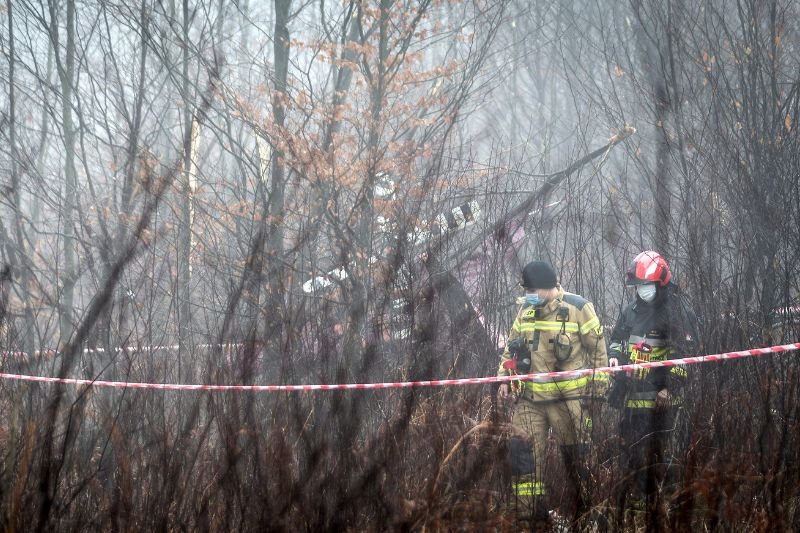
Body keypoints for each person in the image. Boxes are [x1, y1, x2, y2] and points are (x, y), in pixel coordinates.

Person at [498, 260, 609, 527]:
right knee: (523, 460)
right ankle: (530, 520)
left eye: (532, 290)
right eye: (526, 291)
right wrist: (503, 380)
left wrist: (597, 393)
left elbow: (598, 352)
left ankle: (586, 519)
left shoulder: (578, 308)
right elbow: (509, 349)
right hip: (530, 401)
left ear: (547, 286)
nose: (528, 295)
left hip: (568, 401)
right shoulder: (526, 311)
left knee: (578, 462)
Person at [607, 251, 698, 523]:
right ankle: (637, 512)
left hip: (663, 403)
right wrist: (615, 356)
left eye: (645, 285)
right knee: (633, 456)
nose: (641, 290)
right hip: (633, 399)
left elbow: (686, 354)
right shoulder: (631, 311)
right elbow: (617, 339)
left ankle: (670, 511)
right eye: (638, 286)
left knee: (664, 456)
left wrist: (670, 387)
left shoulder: (678, 312)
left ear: (660, 282)